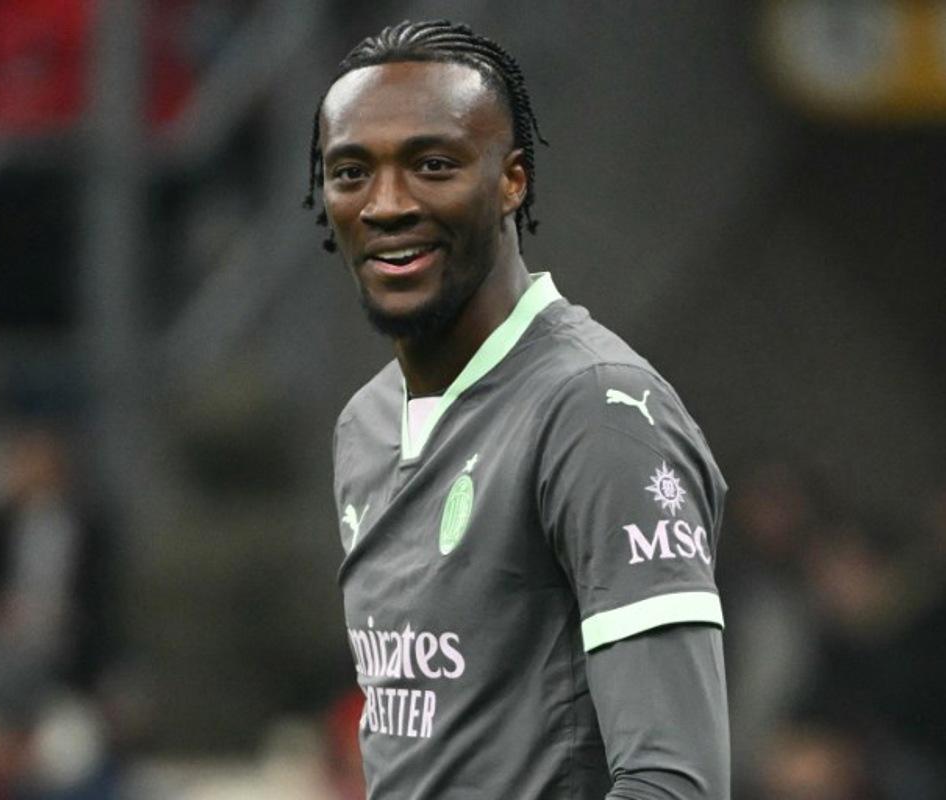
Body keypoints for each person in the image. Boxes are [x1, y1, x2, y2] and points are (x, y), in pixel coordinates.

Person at [310, 20, 730, 799]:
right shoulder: (364, 424)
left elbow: (675, 784)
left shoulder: (598, 414)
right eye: (351, 172)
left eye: (433, 165)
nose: (387, 204)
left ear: (512, 180)